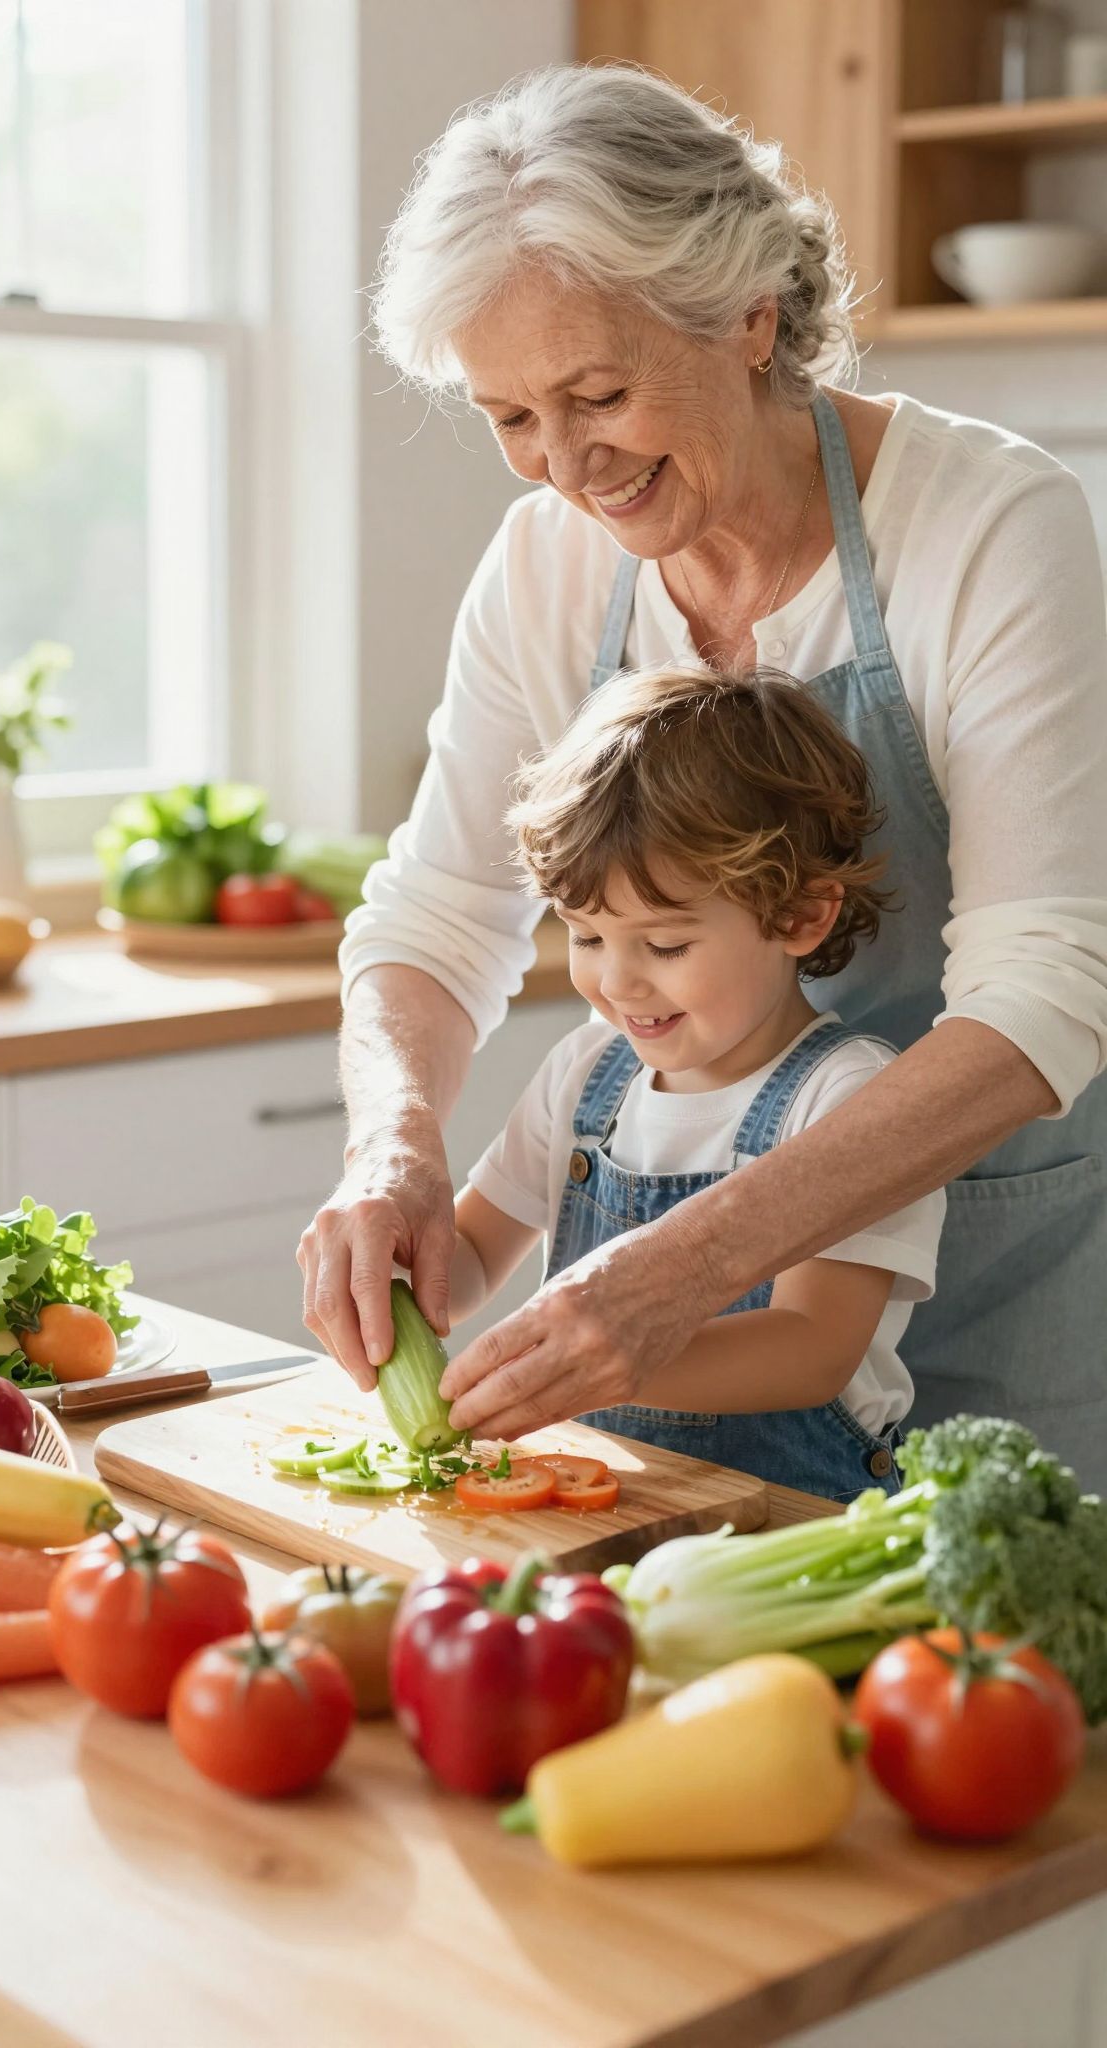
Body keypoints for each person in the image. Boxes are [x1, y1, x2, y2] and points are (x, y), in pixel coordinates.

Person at [297, 65, 1107, 1482]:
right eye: (510, 417)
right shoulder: (549, 563)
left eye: (597, 393)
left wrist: (687, 1269)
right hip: (671, 1379)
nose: (562, 466)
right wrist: (395, 1149)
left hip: (1001, 1284)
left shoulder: (987, 525)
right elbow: (438, 914)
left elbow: (1046, 991)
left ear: (752, 317)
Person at [446, 666, 945, 1500]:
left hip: (792, 1522)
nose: (618, 983)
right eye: (587, 937)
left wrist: (601, 1361)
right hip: (602, 1506)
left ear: (799, 917)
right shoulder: (585, 1070)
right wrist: (401, 1275)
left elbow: (812, 1347)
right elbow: (471, 1248)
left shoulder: (851, 1098)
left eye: (665, 946)